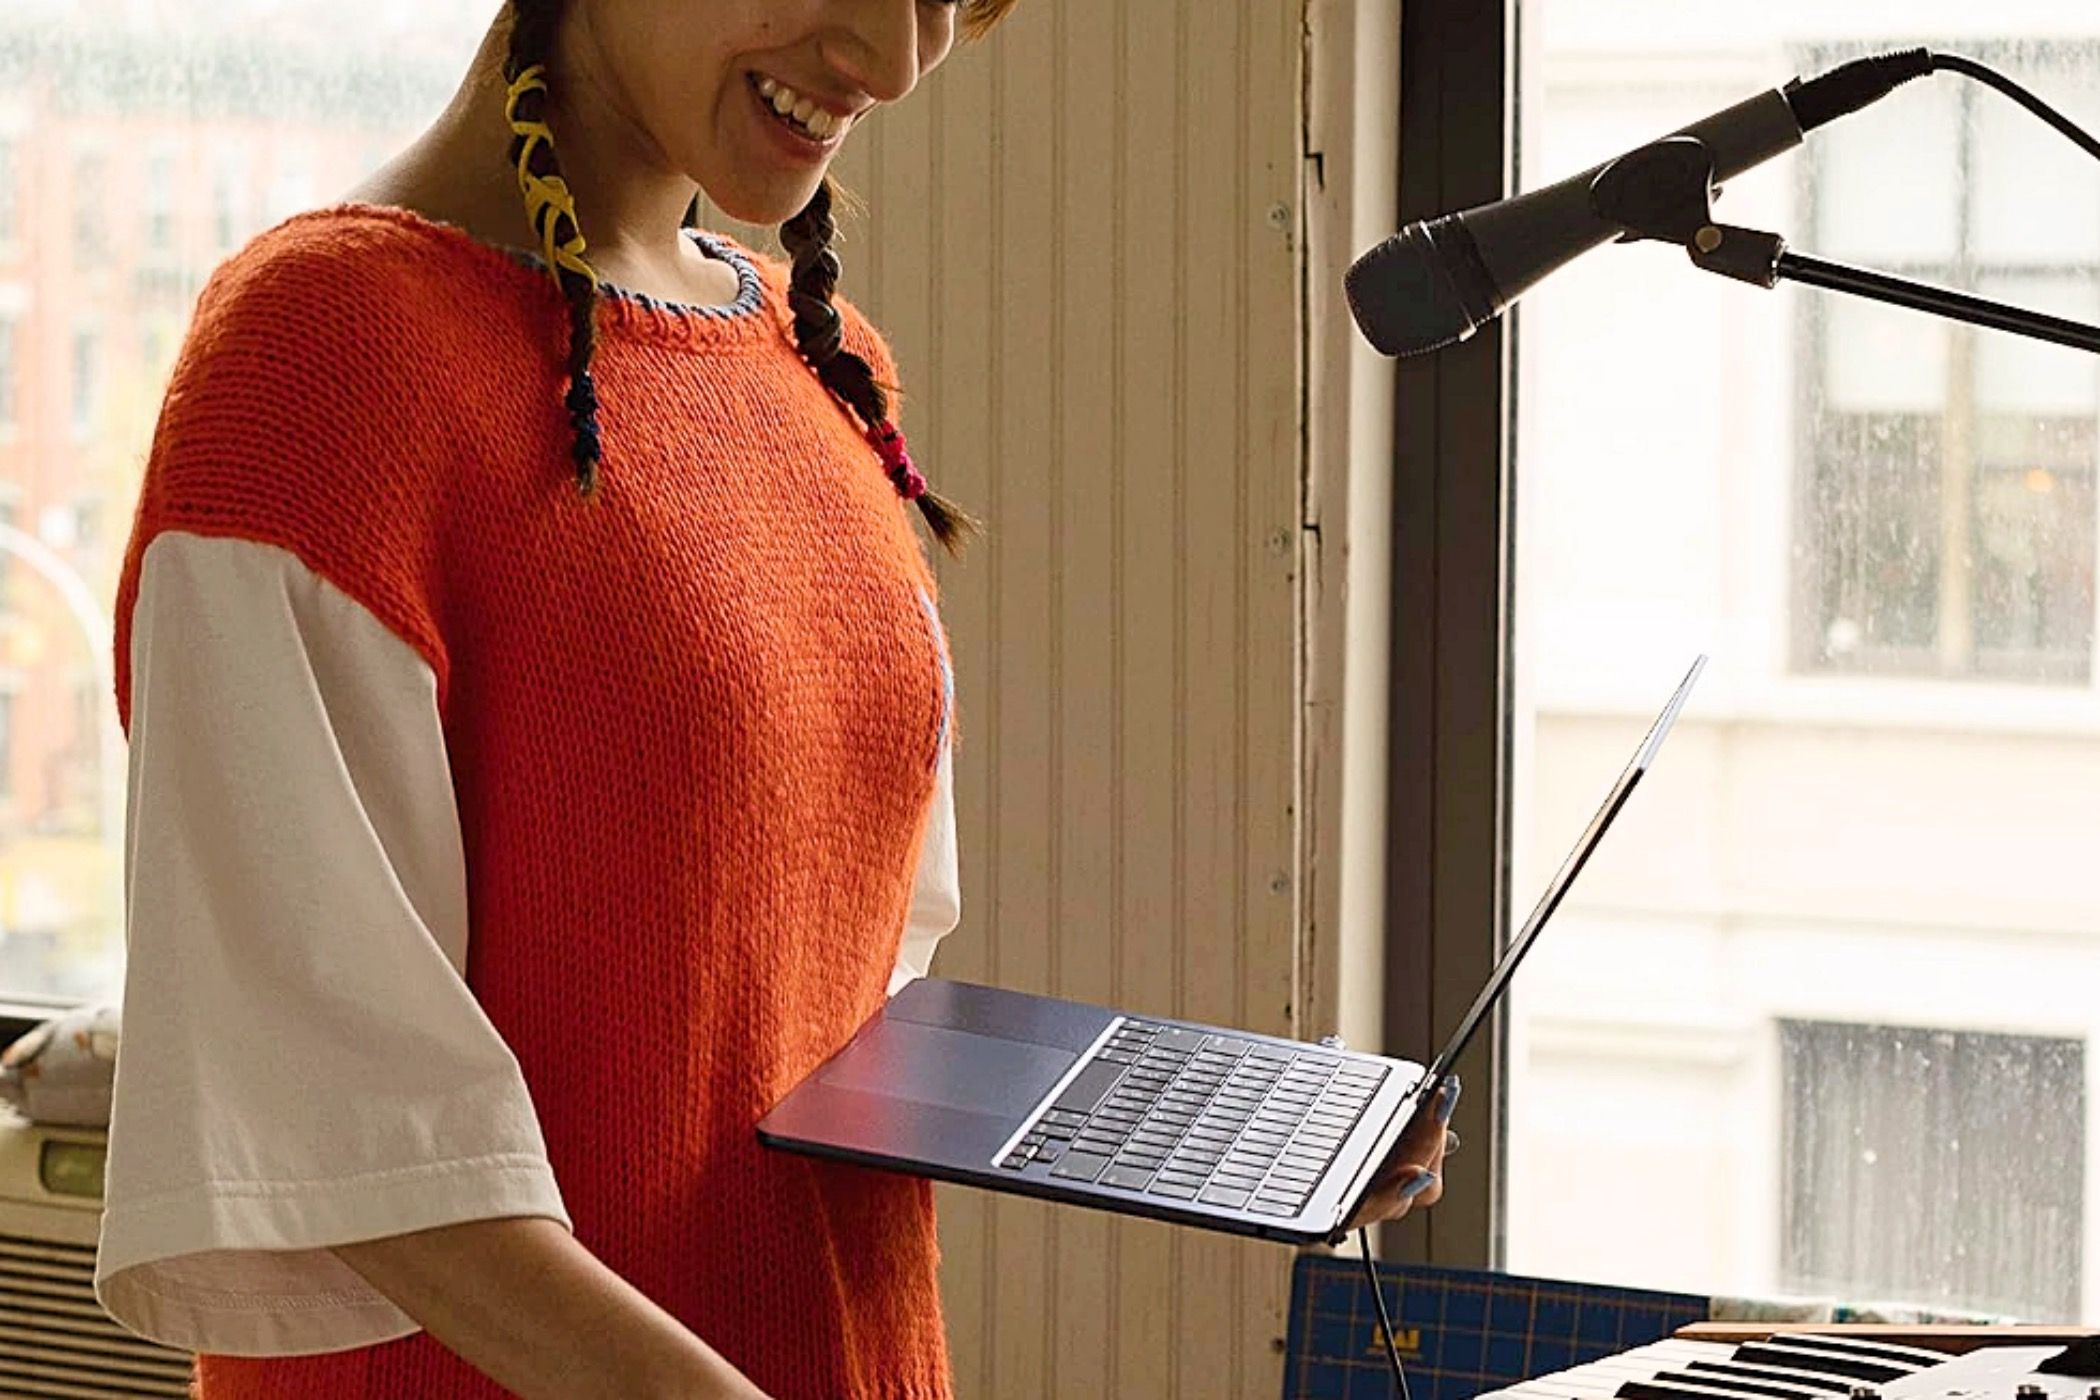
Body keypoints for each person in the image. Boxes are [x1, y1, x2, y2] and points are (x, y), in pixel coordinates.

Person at [89, 1, 1452, 1396]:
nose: (900, 55)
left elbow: (832, 989)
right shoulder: (321, 357)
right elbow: (330, 1118)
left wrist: (1230, 1130)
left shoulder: (817, 362)